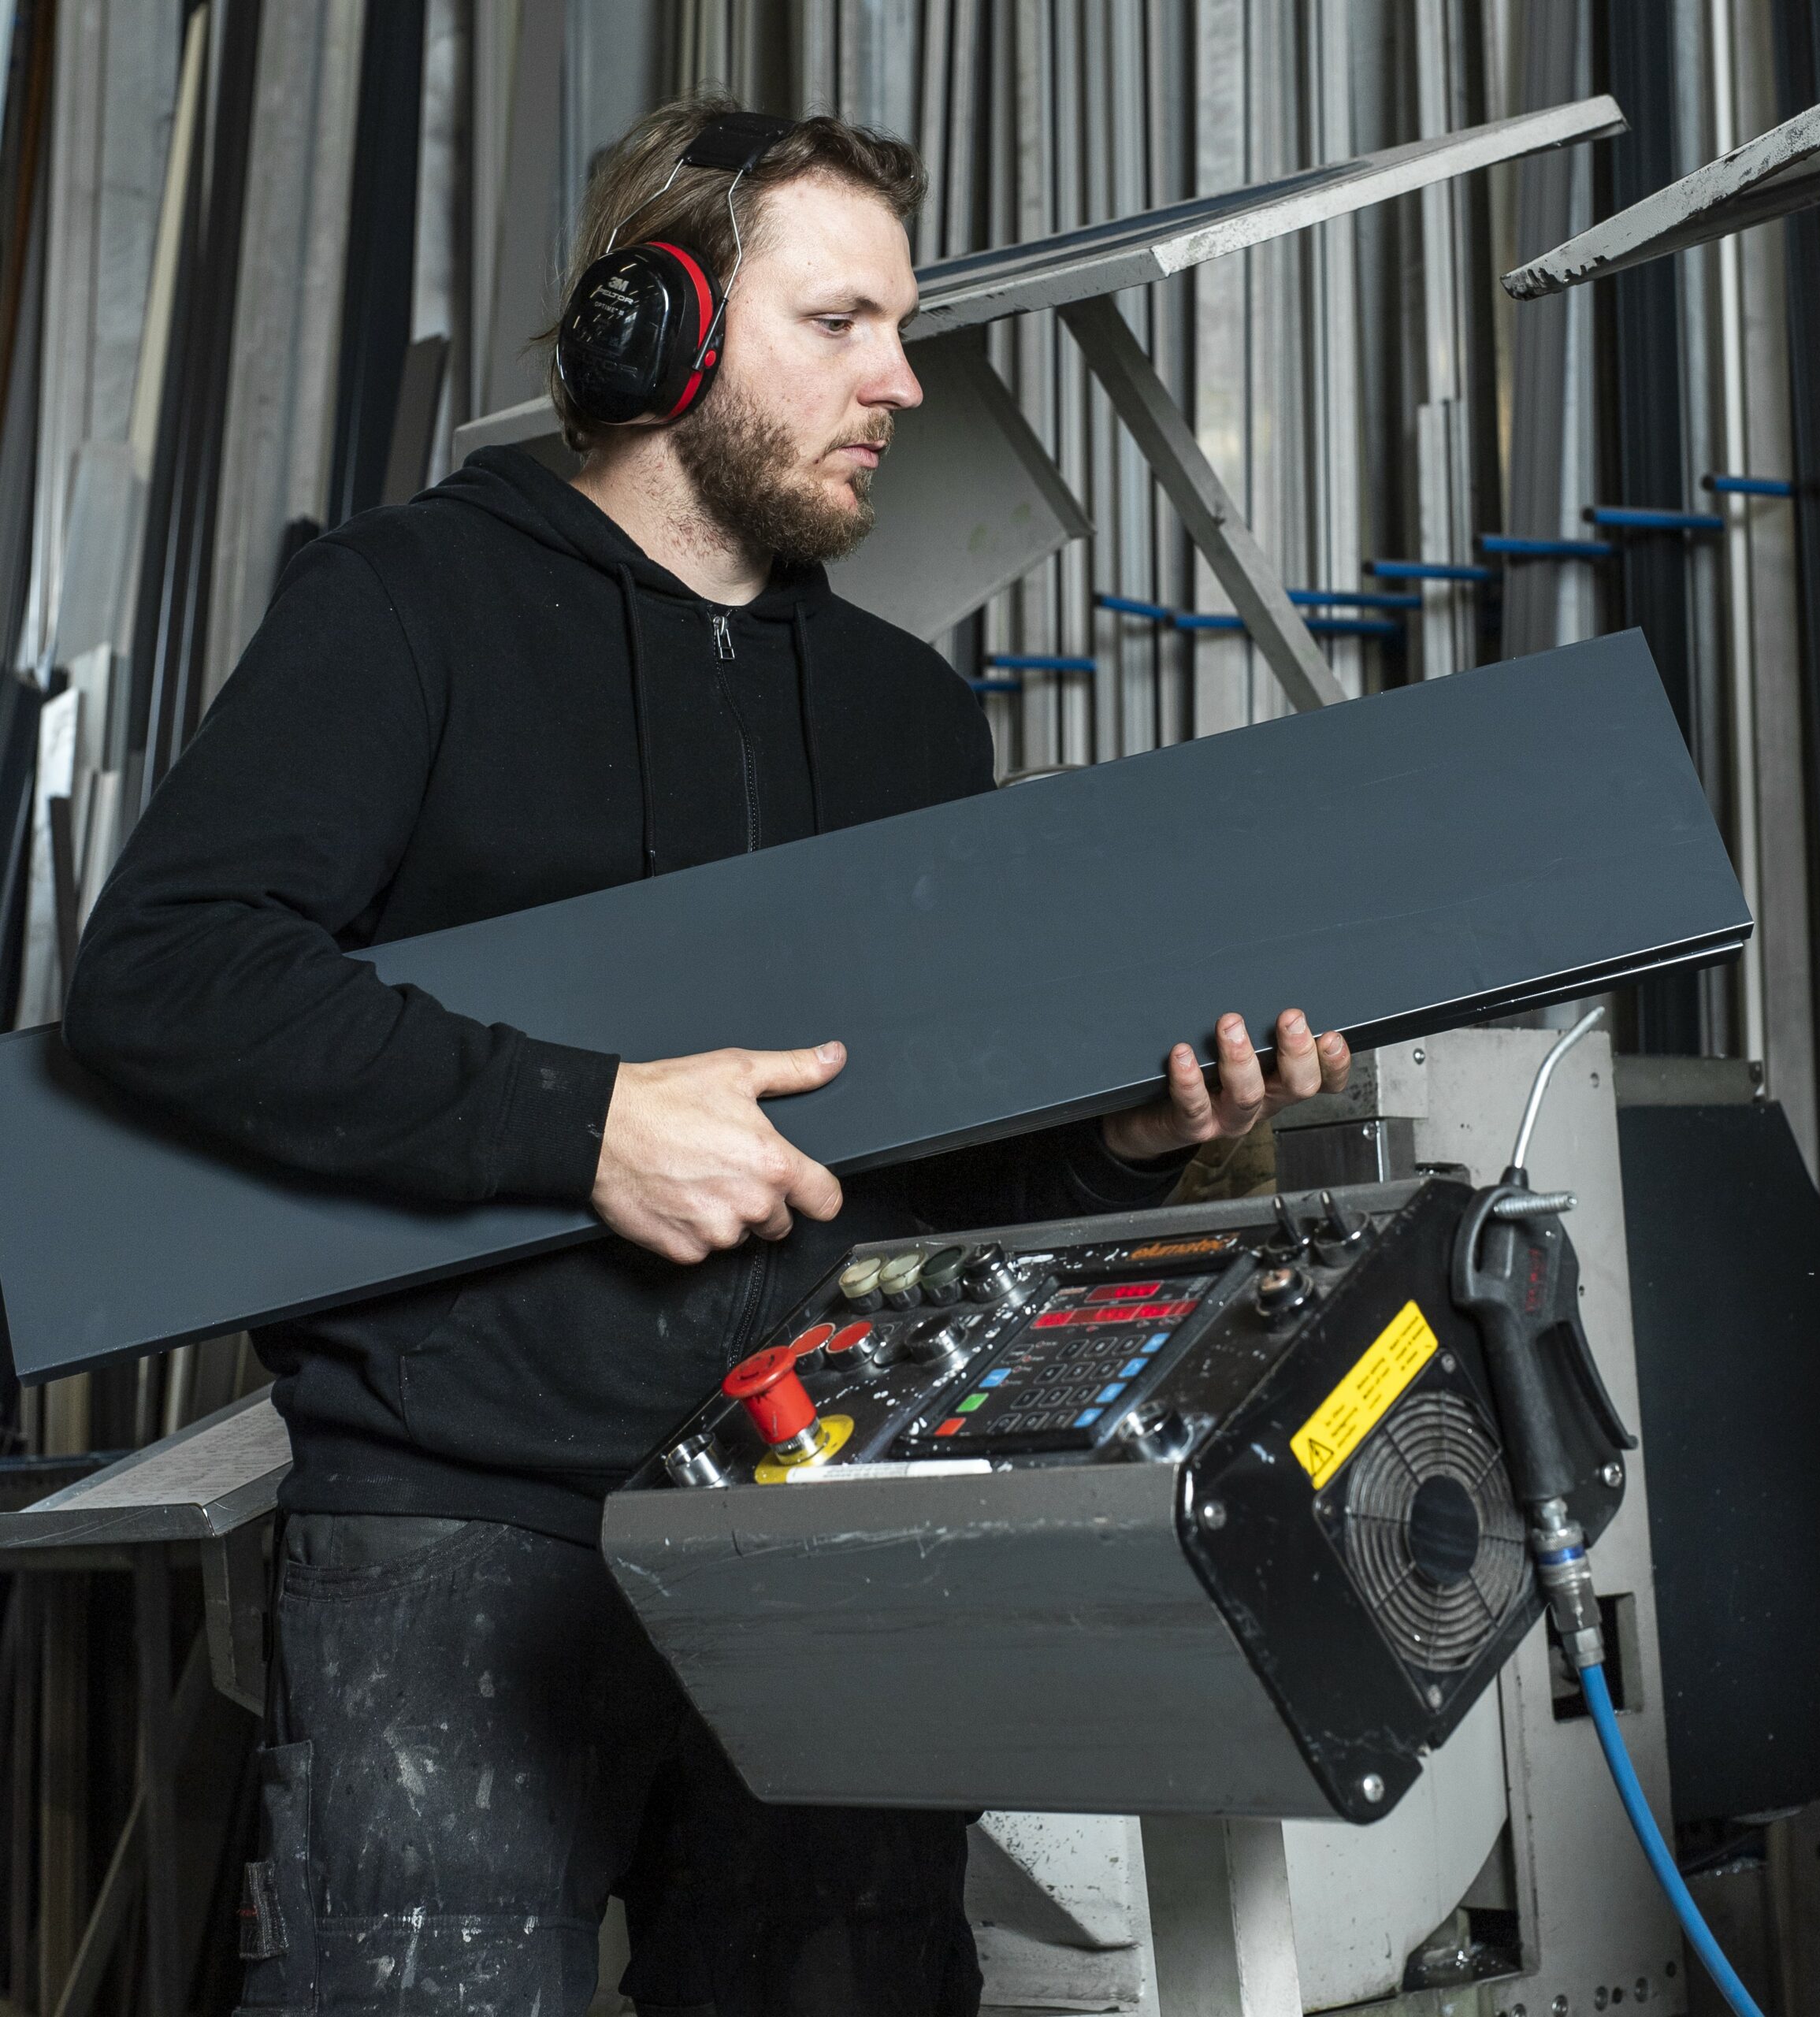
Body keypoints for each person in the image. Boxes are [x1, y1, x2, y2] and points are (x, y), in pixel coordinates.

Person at [64, 95, 1350, 2016]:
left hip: (824, 1521)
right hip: (458, 1528)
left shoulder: (913, 717)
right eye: (839, 322)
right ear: (649, 334)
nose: (901, 380)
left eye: (899, 329)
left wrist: (1131, 1144)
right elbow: (167, 971)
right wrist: (584, 1126)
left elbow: (944, 1188)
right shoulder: (409, 611)